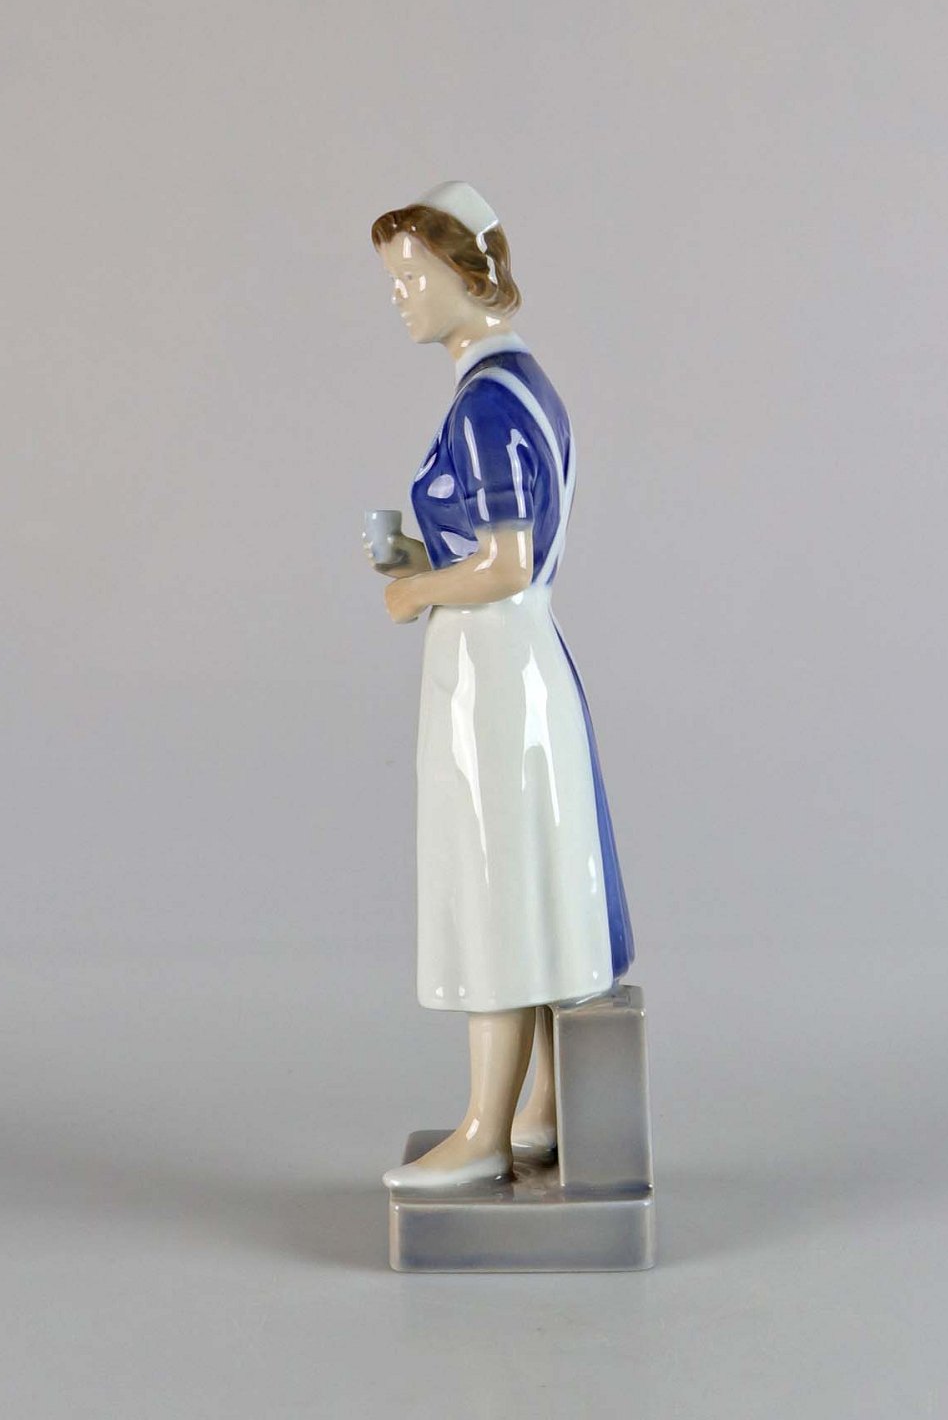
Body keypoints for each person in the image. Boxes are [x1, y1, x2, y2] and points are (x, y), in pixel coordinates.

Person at [365, 182, 634, 1191]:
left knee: (495, 887)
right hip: (520, 662)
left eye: (409, 277)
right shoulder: (524, 384)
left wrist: (413, 591)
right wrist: (425, 557)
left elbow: (507, 564)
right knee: (531, 881)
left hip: (493, 669)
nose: (398, 296)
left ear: (460, 274)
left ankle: (484, 1128)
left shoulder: (484, 403)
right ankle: (544, 1105)